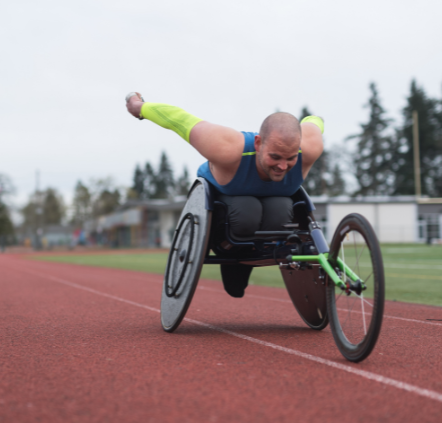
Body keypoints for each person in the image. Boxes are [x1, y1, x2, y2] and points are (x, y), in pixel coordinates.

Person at [126, 93, 325, 296]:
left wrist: (317, 119)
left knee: (281, 208)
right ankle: (232, 255)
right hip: (225, 203)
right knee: (247, 209)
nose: (283, 166)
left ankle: (247, 260)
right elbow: (179, 119)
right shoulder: (227, 148)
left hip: (274, 209)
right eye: (274, 157)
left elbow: (313, 121)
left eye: (290, 158)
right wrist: (140, 107)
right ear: (258, 144)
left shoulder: (310, 149)